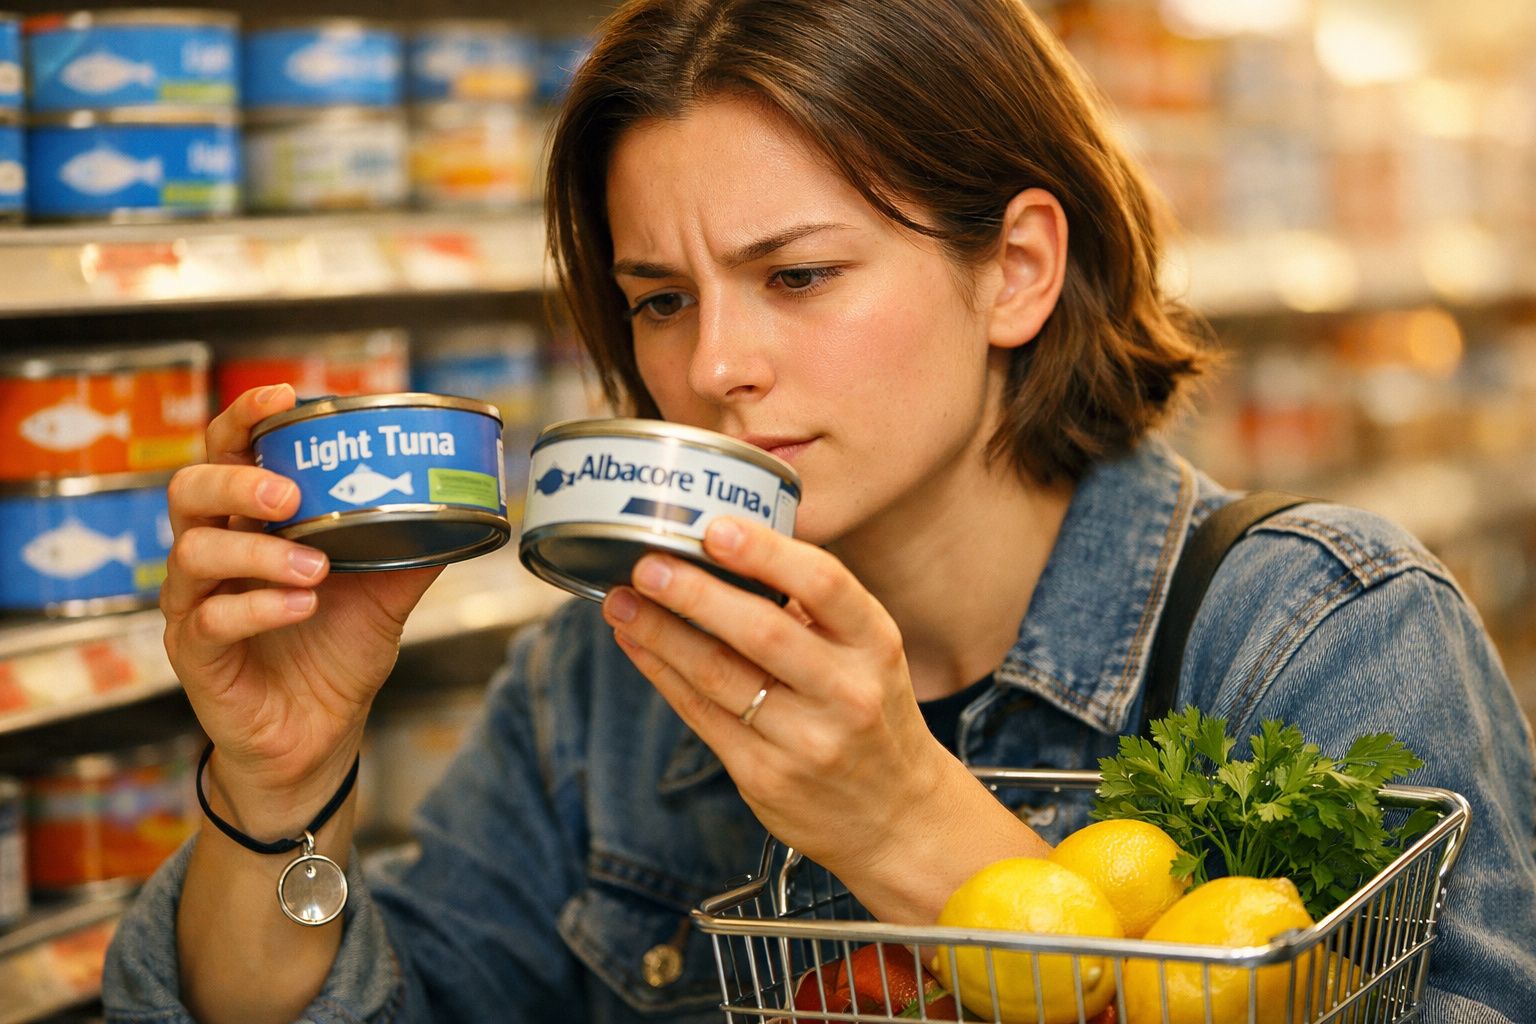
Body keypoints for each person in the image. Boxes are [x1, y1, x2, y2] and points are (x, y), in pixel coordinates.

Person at [104, 0, 1535, 1021]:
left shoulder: (1320, 637)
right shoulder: (605, 682)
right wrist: (281, 785)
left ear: (1018, 271)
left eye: (797, 277)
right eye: (660, 299)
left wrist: (908, 824)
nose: (711, 365)